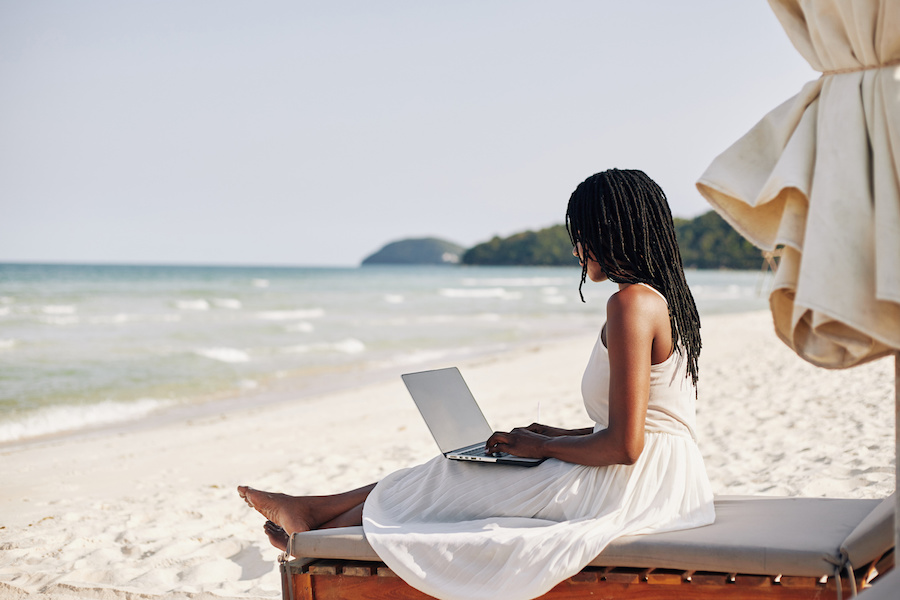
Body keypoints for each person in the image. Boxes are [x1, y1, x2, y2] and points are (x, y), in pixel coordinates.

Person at [238, 169, 715, 600]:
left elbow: (627, 446)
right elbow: (649, 426)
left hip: (634, 486)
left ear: (610, 233)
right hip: (663, 475)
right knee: (468, 464)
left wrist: (544, 449)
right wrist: (552, 437)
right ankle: (311, 513)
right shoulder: (660, 299)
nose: (576, 250)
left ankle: (315, 533)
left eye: (582, 235)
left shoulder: (630, 304)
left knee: (459, 473)